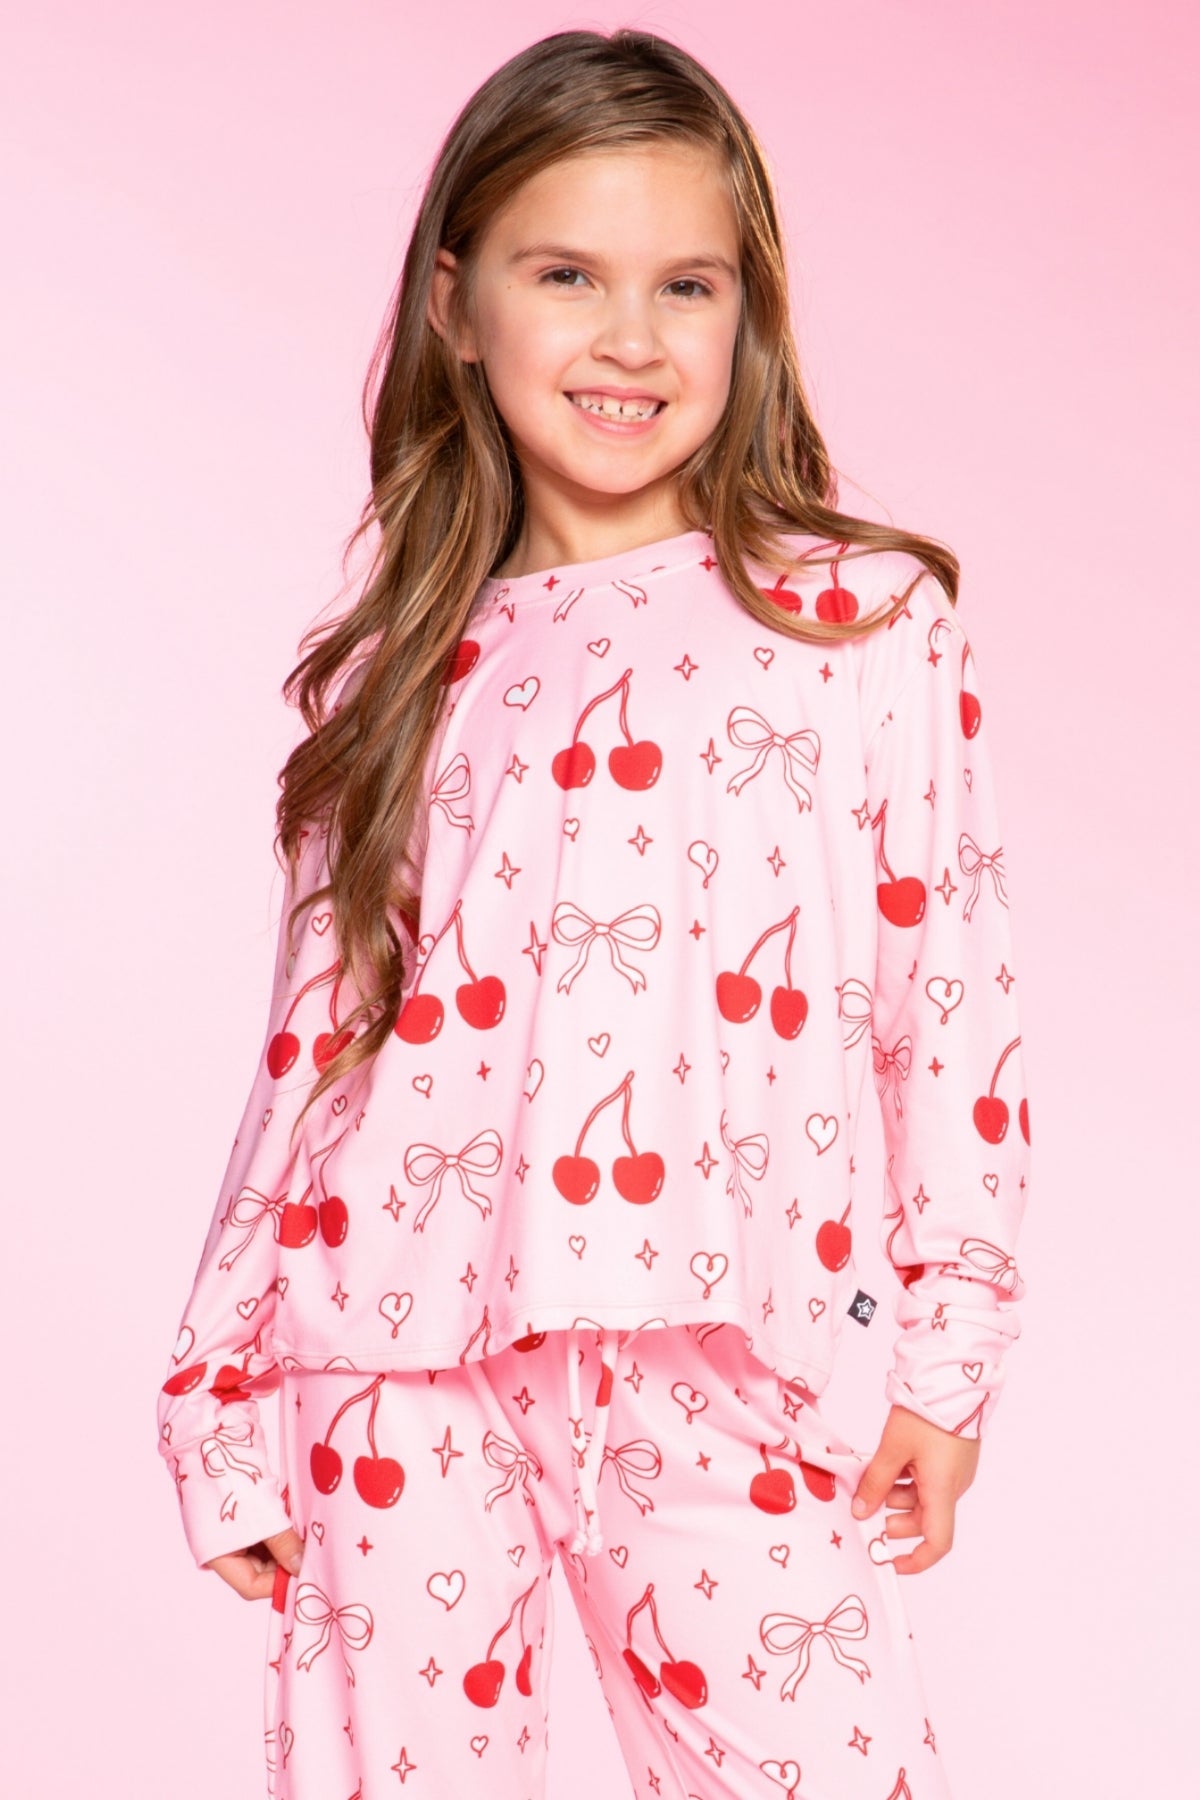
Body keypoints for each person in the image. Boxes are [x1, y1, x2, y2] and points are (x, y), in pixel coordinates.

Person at [155, 27, 1032, 1800]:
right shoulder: (398, 678)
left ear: (745, 316)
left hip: (724, 1333)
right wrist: (214, 1382)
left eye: (685, 285)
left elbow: (946, 1001)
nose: (632, 338)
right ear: (456, 306)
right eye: (568, 275)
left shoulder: (856, 622)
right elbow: (311, 1054)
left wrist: (950, 1350)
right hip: (393, 1358)